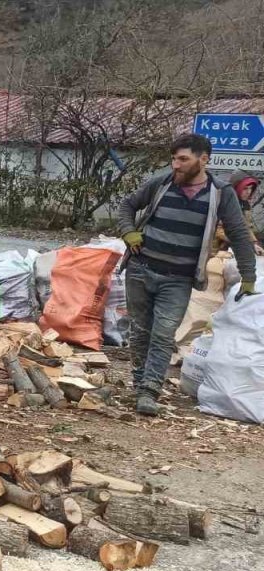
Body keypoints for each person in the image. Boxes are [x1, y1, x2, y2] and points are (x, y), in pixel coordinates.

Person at [118, 133, 257, 417]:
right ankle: (139, 382)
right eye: (173, 159)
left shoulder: (220, 193)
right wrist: (128, 231)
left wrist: (248, 276)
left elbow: (239, 235)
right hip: (140, 270)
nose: (176, 165)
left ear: (203, 159)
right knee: (141, 331)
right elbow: (127, 206)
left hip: (178, 279)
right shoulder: (161, 183)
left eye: (183, 159)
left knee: (163, 333)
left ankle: (149, 390)